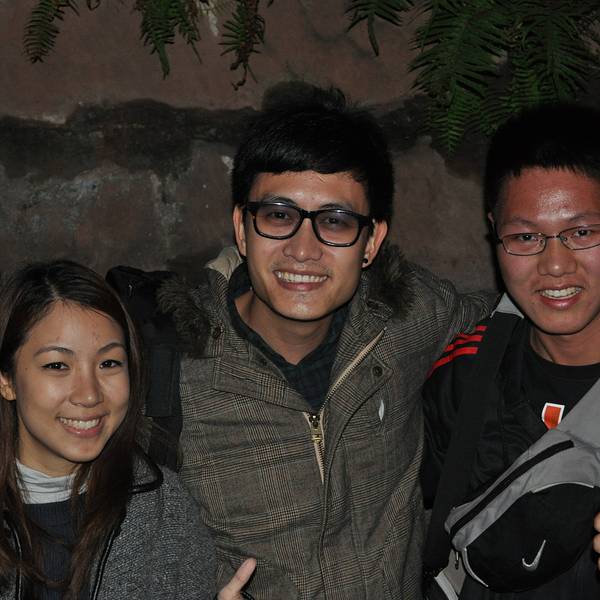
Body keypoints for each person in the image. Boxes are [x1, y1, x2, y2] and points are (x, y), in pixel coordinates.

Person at [155, 84, 494, 598]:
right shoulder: (173, 367)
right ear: (242, 229)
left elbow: (524, 317)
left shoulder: (404, 319)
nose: (303, 249)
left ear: (371, 242)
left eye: (335, 222)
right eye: (279, 215)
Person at [423, 103, 600, 599]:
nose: (555, 265)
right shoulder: (464, 377)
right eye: (525, 236)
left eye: (582, 232)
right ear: (494, 233)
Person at [0, 260, 254, 599]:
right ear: (6, 380)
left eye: (109, 363)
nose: (89, 394)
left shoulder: (163, 511)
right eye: (58, 365)